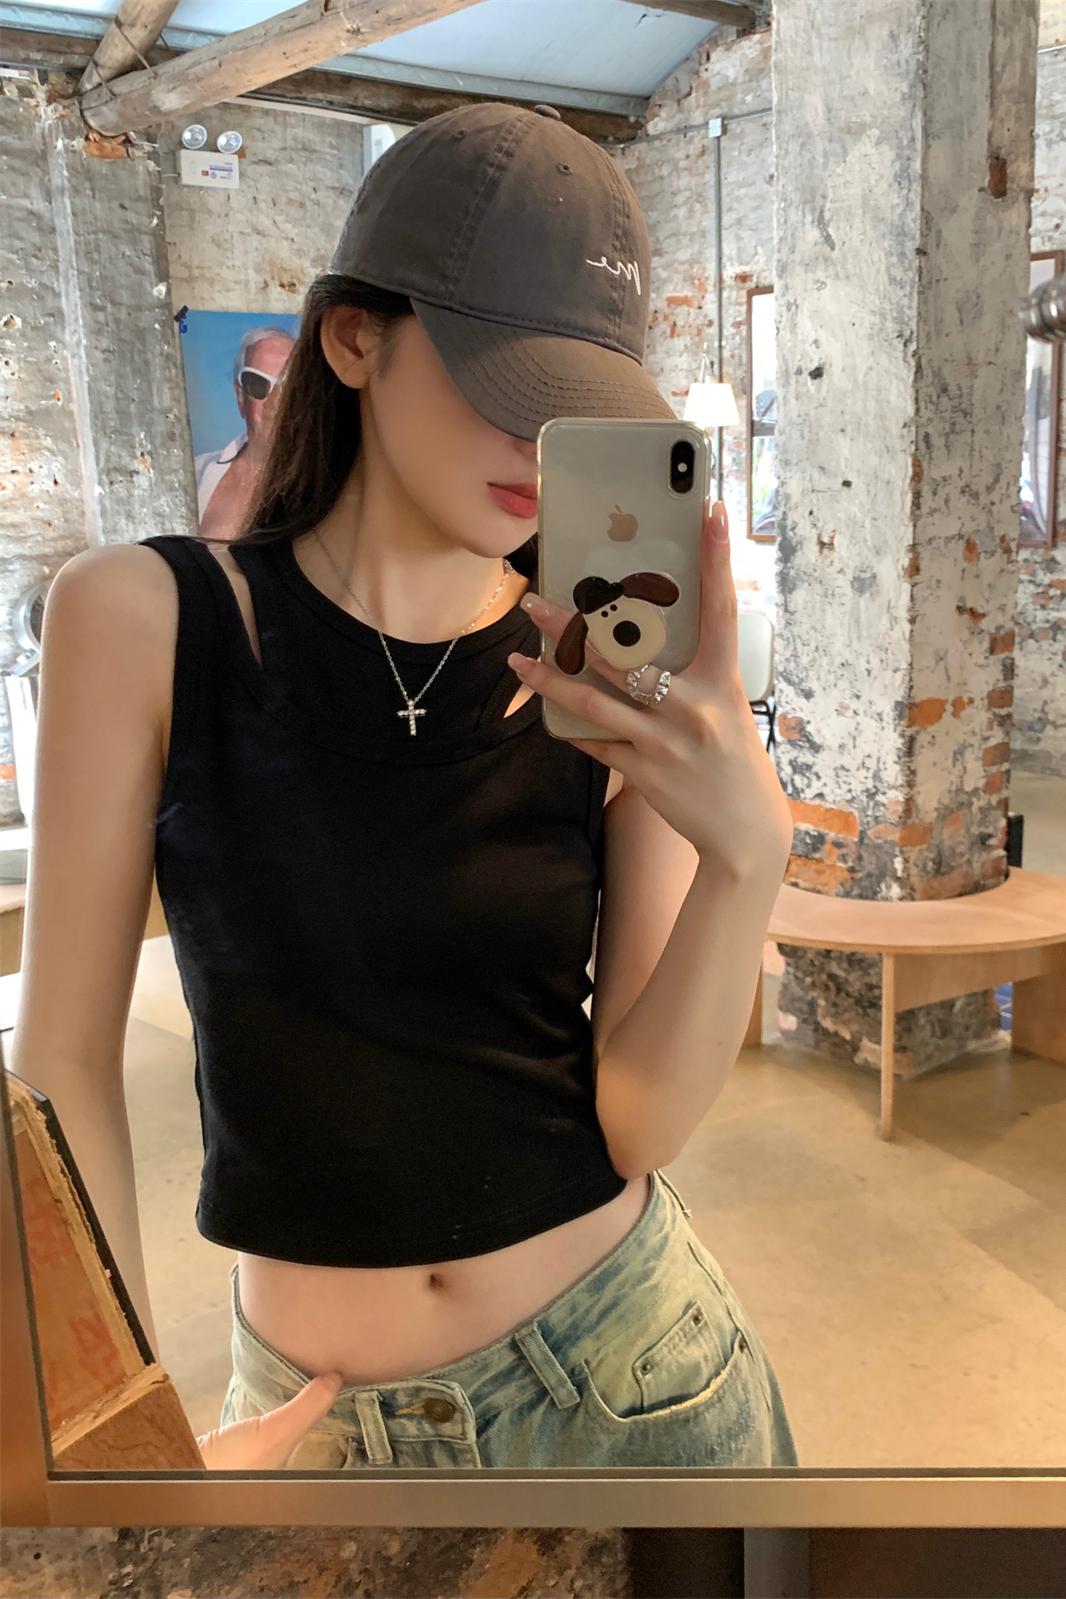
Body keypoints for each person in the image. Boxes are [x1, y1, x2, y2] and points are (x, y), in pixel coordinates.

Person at [20, 101, 797, 1471]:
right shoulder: (142, 619)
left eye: (581, 404)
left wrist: (748, 856)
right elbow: (62, 1070)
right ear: (353, 337)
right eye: (506, 376)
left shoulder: (601, 665)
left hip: (635, 1384)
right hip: (317, 1428)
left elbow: (638, 1123)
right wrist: (117, 1450)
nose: (542, 438)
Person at [193, 326, 295, 541]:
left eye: (290, 385)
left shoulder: (335, 487)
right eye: (258, 383)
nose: (276, 402)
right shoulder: (195, 474)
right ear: (241, 396)